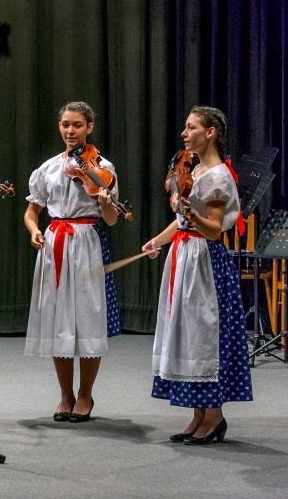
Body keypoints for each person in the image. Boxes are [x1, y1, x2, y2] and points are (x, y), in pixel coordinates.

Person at [141, 106, 253, 444]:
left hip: (204, 261)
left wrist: (191, 212)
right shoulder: (195, 169)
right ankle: (198, 415)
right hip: (185, 254)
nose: (184, 134)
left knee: (205, 335)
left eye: (191, 128)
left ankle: (214, 417)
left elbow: (214, 230)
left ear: (211, 132)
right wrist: (158, 241)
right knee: (187, 333)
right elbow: (182, 222)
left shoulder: (217, 176)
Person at [24, 101, 120, 422]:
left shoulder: (102, 167)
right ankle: (65, 394)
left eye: (77, 125)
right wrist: (35, 230)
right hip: (55, 242)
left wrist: (104, 200)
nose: (70, 130)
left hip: (86, 241)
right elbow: (32, 210)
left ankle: (85, 394)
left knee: (88, 319)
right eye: (65, 124)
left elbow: (111, 219)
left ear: (89, 127)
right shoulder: (48, 168)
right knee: (58, 319)